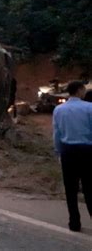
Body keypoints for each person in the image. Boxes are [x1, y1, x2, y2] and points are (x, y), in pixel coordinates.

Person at [53, 81, 92, 232]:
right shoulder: (89, 108)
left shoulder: (59, 110)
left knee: (70, 189)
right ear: (80, 90)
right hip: (87, 151)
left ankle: (74, 222)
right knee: (89, 187)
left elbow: (57, 134)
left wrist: (58, 152)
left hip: (68, 152)